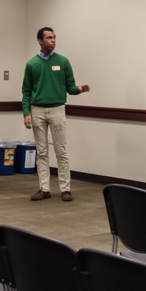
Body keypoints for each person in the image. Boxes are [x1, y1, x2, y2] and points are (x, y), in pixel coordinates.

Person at [22, 27, 90, 202]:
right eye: (49, 38)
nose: (53, 41)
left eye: (54, 38)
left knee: (61, 150)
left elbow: (70, 86)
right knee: (42, 151)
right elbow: (26, 91)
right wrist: (26, 113)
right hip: (37, 110)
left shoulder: (63, 61)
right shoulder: (31, 64)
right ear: (40, 40)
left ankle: (65, 189)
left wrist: (79, 90)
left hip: (57, 109)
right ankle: (44, 189)